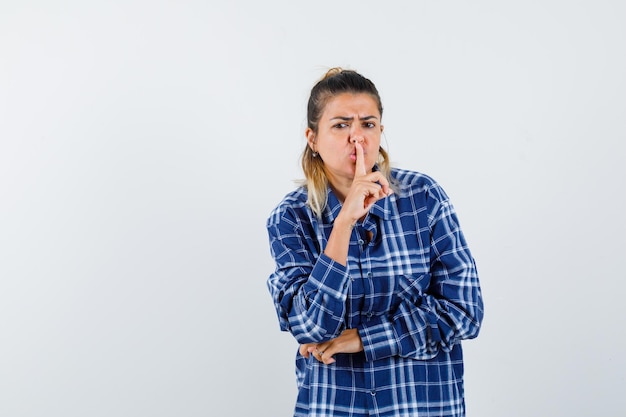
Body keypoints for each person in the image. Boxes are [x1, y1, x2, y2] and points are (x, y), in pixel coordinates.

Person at [266, 68, 484, 417]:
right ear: (312, 138)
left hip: (420, 405)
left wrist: (363, 339)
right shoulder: (291, 218)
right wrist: (343, 224)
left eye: (368, 124)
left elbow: (465, 311)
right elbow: (309, 326)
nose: (357, 137)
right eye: (340, 125)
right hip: (334, 405)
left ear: (380, 132)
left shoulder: (423, 197)